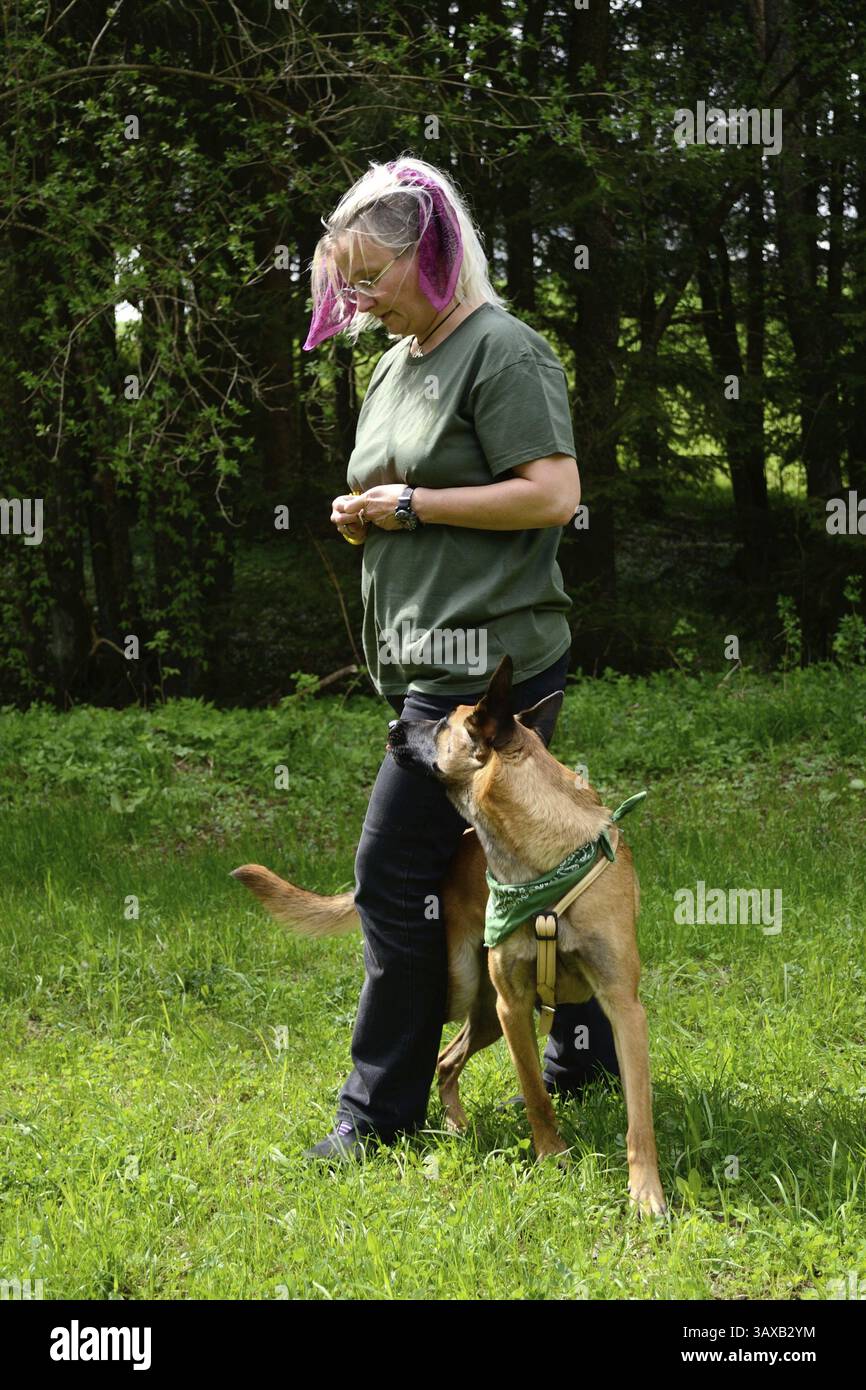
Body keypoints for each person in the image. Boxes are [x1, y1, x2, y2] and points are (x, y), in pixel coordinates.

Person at [301, 155, 620, 1161]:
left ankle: (375, 1114)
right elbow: (404, 492)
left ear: (429, 257)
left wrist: (409, 505)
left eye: (366, 277)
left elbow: (550, 493)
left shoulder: (503, 351)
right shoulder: (393, 361)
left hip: (488, 675)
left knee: (391, 878)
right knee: (528, 871)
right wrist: (368, 519)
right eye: (340, 281)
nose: (352, 299)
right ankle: (584, 1057)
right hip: (418, 667)